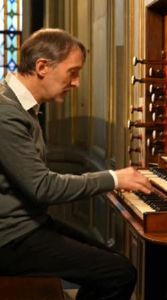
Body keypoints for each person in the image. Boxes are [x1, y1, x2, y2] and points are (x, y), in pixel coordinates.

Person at [0, 28, 152, 300]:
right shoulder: (5, 112)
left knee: (113, 261)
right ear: (42, 67)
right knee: (119, 274)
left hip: (29, 225)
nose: (77, 82)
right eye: (73, 72)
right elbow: (42, 187)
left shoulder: (18, 105)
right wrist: (114, 178)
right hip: (9, 239)